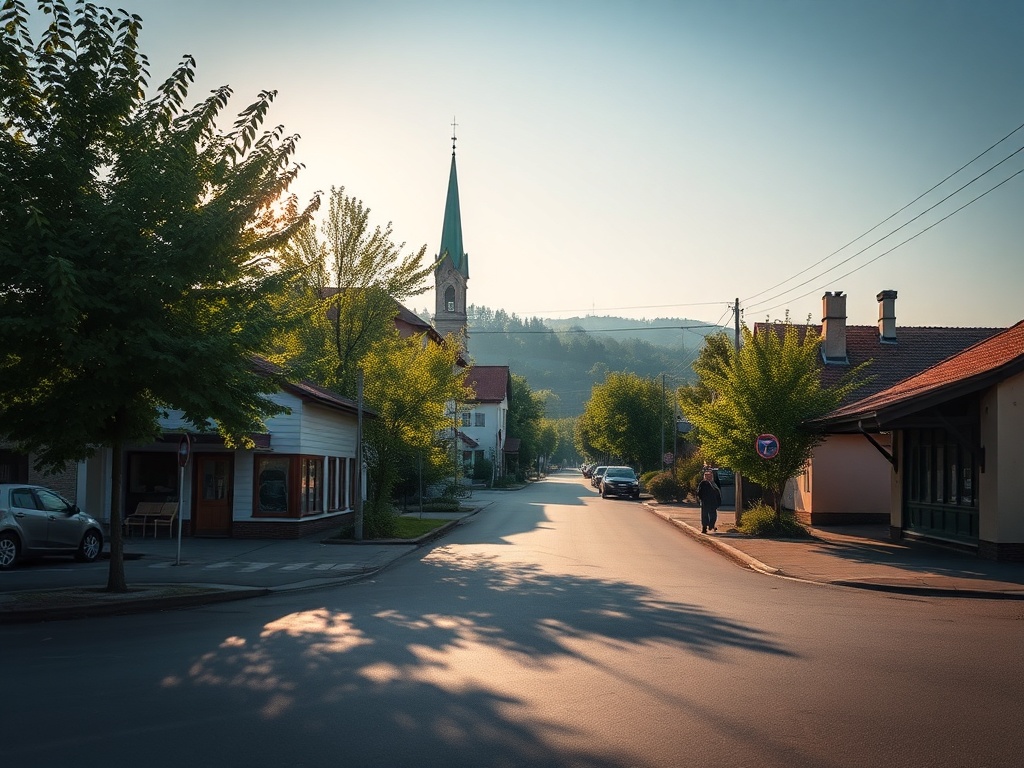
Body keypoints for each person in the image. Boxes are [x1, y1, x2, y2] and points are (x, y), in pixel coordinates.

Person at [696, 469, 722, 534]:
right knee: (705, 515)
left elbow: (718, 493)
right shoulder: (702, 483)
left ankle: (711, 525)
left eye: (709, 476)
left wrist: (718, 502)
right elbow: (699, 492)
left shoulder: (714, 484)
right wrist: (700, 499)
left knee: (713, 515)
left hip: (713, 502)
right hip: (705, 502)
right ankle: (704, 528)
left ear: (712, 476)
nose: (708, 477)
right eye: (706, 476)